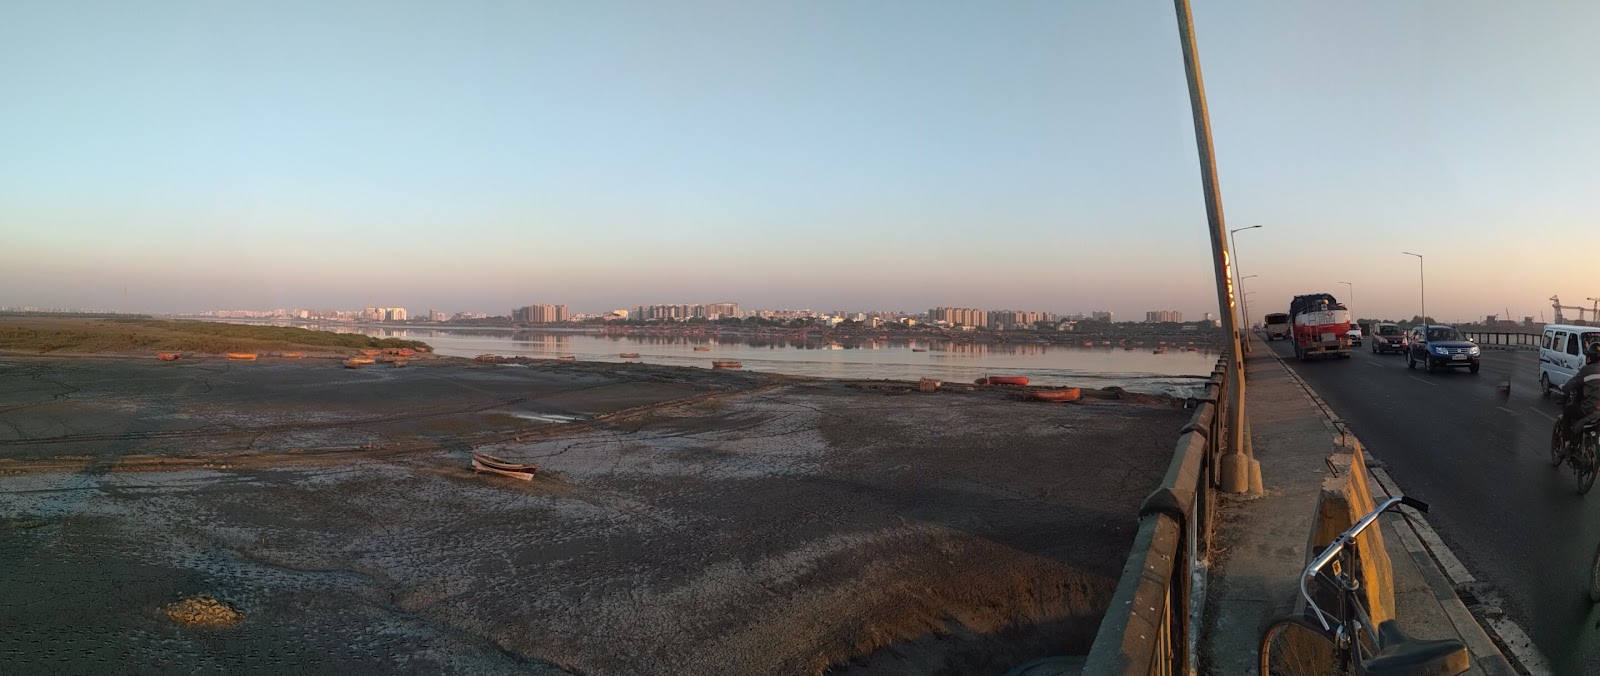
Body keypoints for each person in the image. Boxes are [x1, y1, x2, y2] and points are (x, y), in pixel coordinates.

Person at [1559, 342, 1600, 446]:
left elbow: (1573, 383)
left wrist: (1564, 388)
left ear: (1590, 357)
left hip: (1590, 407)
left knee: (1567, 412)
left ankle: (1567, 443)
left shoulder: (1587, 370)